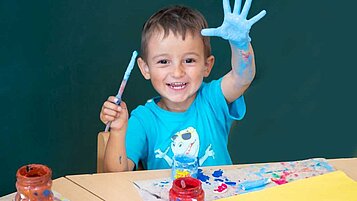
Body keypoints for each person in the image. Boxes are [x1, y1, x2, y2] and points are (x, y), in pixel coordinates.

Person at [100, 0, 266, 172]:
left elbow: (242, 77)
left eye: (189, 60)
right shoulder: (143, 119)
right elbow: (115, 175)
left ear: (207, 66)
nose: (177, 72)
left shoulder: (212, 99)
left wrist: (240, 44)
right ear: (145, 68)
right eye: (164, 61)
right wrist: (118, 130)